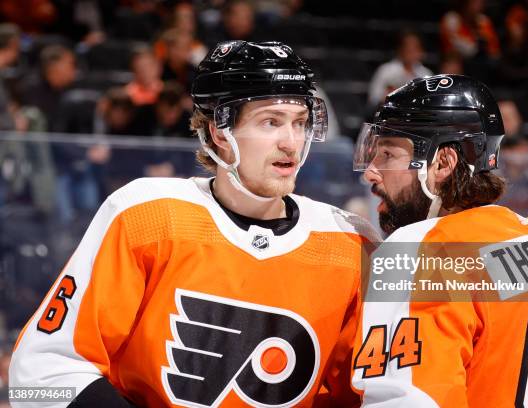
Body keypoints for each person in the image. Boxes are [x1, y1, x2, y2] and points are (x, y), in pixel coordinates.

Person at [9, 40, 379, 407]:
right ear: (220, 131)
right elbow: (39, 376)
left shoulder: (351, 241)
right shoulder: (144, 213)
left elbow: (384, 393)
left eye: (300, 123)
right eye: (271, 122)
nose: (291, 143)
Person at [350, 74, 528, 406]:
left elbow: (414, 399)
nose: (371, 172)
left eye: (387, 155)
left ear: (443, 163)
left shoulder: (420, 250)